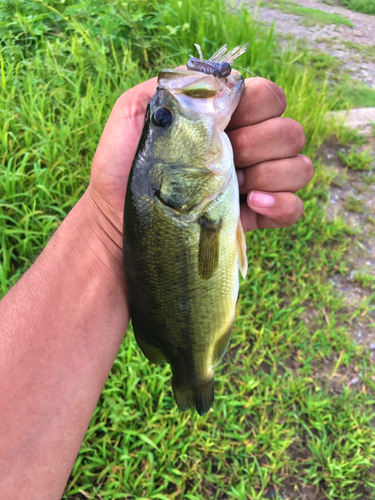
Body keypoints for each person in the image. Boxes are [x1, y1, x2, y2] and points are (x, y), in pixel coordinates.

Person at [0, 76, 313, 499]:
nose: (164, 108)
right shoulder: (173, 184)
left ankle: (193, 372)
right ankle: (194, 373)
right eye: (162, 118)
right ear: (165, 181)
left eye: (159, 118)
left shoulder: (183, 181)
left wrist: (106, 224)